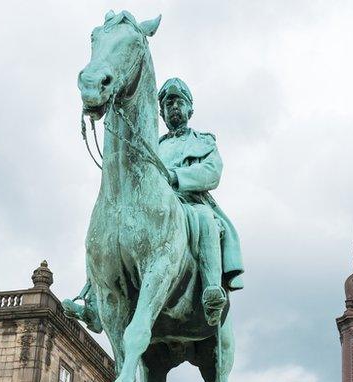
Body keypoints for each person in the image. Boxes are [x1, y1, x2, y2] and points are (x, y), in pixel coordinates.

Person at [65, 77, 244, 328]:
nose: (173, 108)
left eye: (178, 102)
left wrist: (175, 177)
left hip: (188, 202)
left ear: (190, 109)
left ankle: (212, 291)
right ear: (161, 113)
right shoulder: (154, 145)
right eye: (167, 104)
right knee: (107, 230)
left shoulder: (203, 141)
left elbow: (211, 172)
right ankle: (93, 301)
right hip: (152, 206)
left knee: (205, 218)